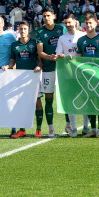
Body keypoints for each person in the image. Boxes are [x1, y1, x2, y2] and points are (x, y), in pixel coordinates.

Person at [75, 13, 99, 138]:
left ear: (96, 24)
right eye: (86, 23)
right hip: (86, 75)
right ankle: (93, 129)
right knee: (90, 101)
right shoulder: (81, 40)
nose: (89, 25)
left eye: (91, 23)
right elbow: (78, 59)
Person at [4, 21, 41, 138]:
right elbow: (12, 61)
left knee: (37, 103)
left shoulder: (34, 44)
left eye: (25, 29)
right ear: (18, 30)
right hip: (20, 78)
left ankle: (38, 129)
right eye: (21, 29)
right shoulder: (15, 45)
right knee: (21, 104)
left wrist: (39, 66)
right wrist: (7, 66)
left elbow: (40, 59)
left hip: (33, 77)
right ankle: (22, 130)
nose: (23, 31)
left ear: (29, 30)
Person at [34, 8, 67, 139]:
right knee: (49, 100)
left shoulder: (61, 29)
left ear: (53, 16)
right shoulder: (40, 32)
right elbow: (40, 52)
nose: (46, 18)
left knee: (66, 98)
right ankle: (51, 128)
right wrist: (50, 57)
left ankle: (69, 125)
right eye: (44, 16)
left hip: (62, 68)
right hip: (48, 69)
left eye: (48, 15)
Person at [55, 13, 87, 137]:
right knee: (70, 101)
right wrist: (61, 56)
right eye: (66, 23)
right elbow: (58, 54)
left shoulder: (83, 36)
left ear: (75, 22)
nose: (68, 25)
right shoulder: (62, 38)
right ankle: (73, 128)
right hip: (68, 74)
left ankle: (85, 127)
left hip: (82, 73)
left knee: (85, 99)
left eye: (70, 22)